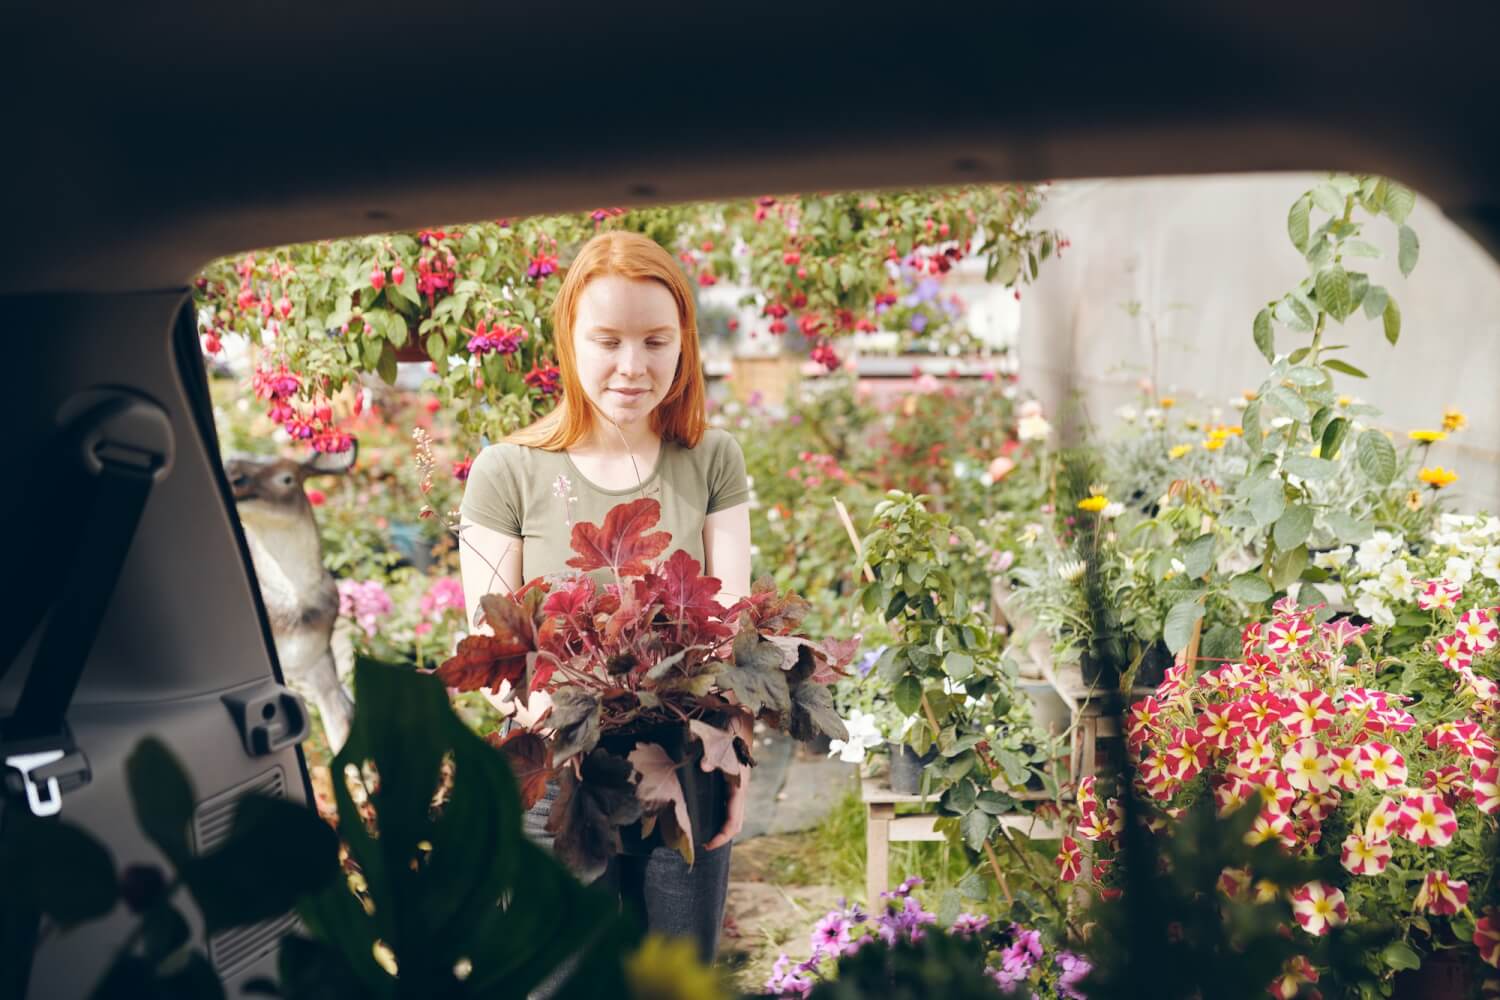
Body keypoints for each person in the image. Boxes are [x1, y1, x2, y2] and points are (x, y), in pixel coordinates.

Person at [456, 230, 752, 963]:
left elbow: (730, 633)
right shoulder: (507, 470)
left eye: (655, 340)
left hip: (683, 767)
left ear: (684, 341)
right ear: (570, 339)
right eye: (608, 339)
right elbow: (496, 649)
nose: (632, 366)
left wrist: (734, 750)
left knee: (674, 978)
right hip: (559, 771)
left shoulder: (712, 458)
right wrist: (569, 718)